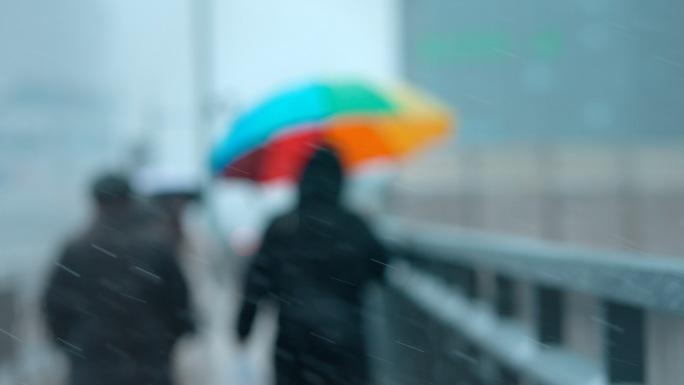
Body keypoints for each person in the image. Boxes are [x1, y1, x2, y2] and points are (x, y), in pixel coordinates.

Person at [236, 147, 388, 385]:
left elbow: (257, 282)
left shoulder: (283, 226)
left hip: (294, 341)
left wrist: (243, 328)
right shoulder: (354, 225)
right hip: (345, 339)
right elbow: (381, 271)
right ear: (339, 181)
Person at [43, 173, 194, 385]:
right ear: (130, 200)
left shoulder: (76, 248)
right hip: (148, 362)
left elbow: (54, 307)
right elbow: (179, 304)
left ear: (95, 203)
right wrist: (164, 341)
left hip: (91, 364)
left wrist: (74, 345)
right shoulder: (155, 246)